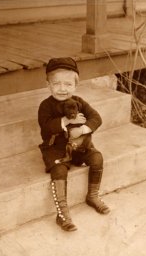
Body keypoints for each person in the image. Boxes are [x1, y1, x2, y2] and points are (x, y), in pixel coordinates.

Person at [38, 57, 110, 232]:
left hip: (79, 146)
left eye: (68, 84)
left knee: (97, 157)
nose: (63, 89)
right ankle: (62, 213)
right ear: (49, 85)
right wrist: (64, 120)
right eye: (57, 84)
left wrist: (83, 129)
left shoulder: (79, 102)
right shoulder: (46, 106)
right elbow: (46, 128)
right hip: (56, 149)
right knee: (59, 170)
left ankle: (92, 195)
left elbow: (96, 118)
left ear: (75, 86)